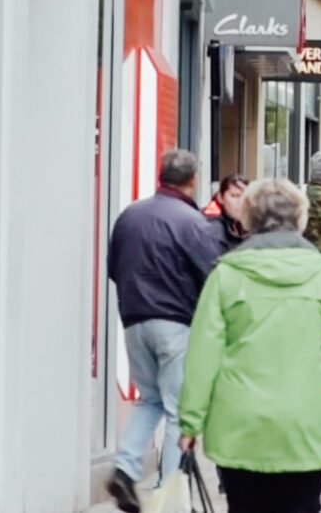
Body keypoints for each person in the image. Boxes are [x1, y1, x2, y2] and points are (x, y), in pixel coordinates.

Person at [177, 177, 321, 512]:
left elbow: (202, 355)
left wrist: (191, 421)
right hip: (304, 426)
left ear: (247, 219)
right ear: (301, 219)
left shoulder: (226, 276)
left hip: (240, 427)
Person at [104, 150, 223, 512]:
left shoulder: (130, 216)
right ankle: (173, 492)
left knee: (150, 398)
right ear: (192, 180)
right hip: (175, 322)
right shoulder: (191, 221)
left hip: (134, 318)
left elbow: (113, 267)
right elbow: (212, 274)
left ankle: (125, 467)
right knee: (177, 409)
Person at [204, 174, 250, 252]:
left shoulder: (243, 223)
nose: (240, 202)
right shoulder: (211, 226)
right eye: (234, 196)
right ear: (220, 197)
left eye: (245, 197)